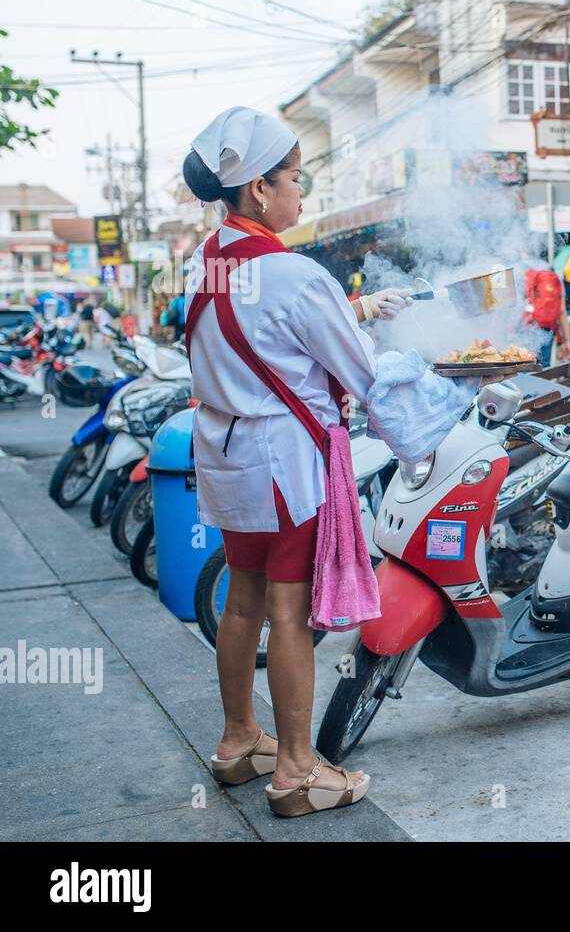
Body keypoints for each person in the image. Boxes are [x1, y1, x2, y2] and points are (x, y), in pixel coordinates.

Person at [181, 106, 413, 818]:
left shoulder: (201, 266)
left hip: (225, 462)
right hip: (285, 468)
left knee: (242, 601)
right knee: (289, 614)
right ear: (258, 190)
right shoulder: (293, 273)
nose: (301, 194)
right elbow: (364, 374)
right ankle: (296, 769)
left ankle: (237, 741)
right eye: (294, 179)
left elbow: (261, 324)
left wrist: (355, 308)